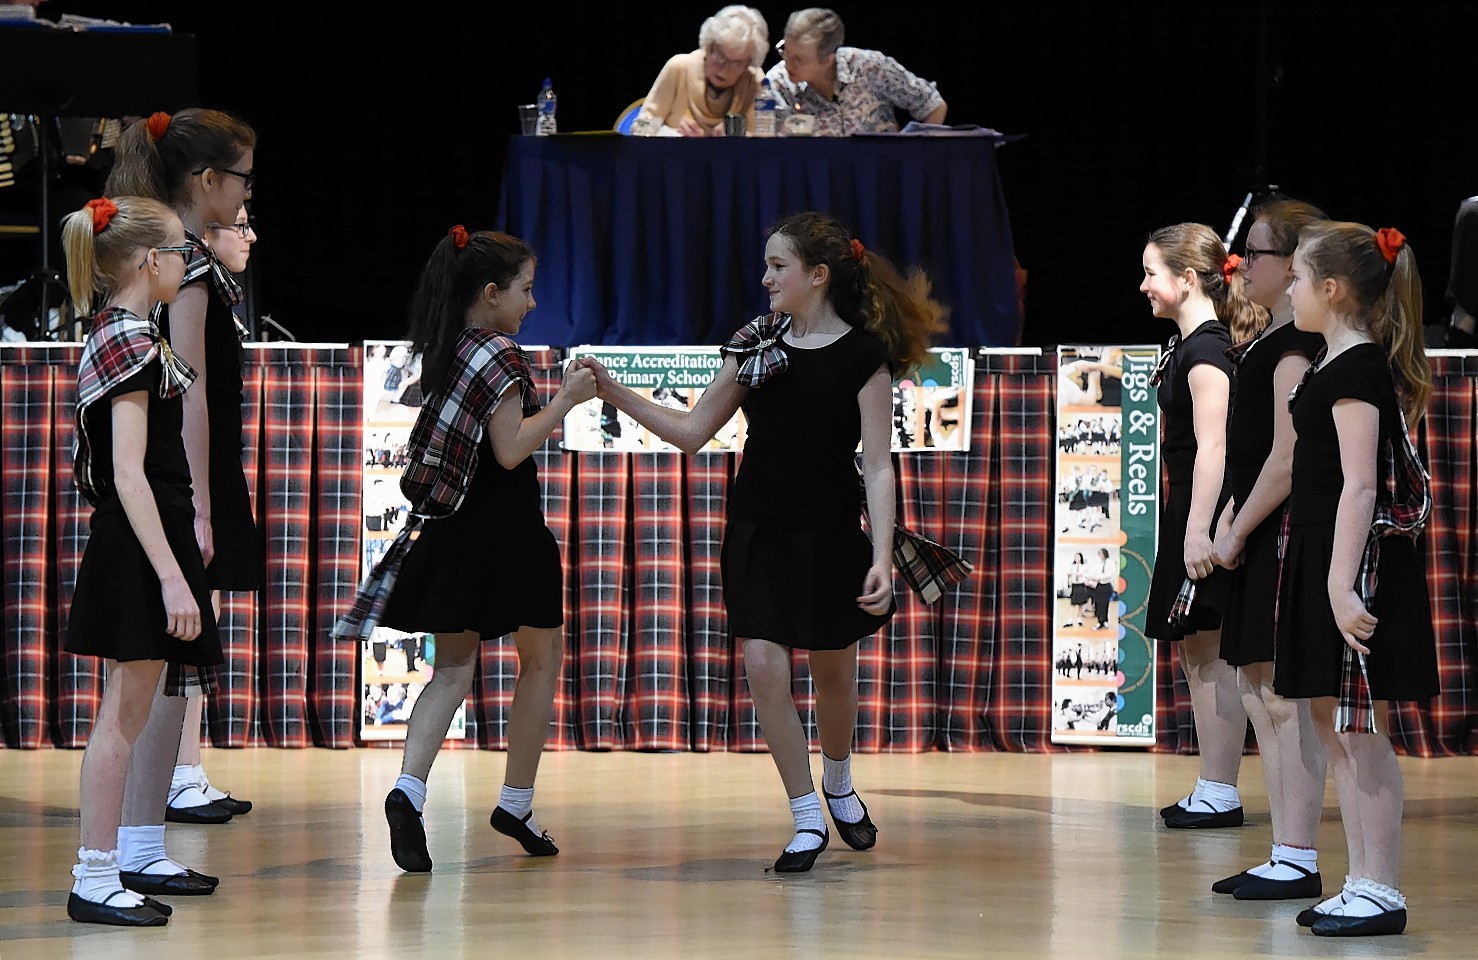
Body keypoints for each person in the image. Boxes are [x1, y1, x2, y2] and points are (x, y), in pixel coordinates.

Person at [582, 211, 946, 872]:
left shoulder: (864, 355)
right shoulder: (755, 346)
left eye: (778, 267)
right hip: (758, 529)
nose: (765, 277)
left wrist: (880, 556)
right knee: (762, 661)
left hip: (832, 532)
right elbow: (693, 431)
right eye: (767, 265)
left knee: (834, 673)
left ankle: (839, 783)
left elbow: (881, 465)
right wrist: (611, 390)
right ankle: (806, 814)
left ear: (818, 275)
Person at [333, 226, 595, 873]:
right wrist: (566, 398)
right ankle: (517, 802)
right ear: (490, 292)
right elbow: (510, 448)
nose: (532, 303)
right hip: (506, 531)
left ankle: (408, 791)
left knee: (450, 670)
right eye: (526, 290)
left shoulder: (447, 348)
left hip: (451, 529)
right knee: (540, 660)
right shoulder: (502, 354)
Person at [59, 195, 219, 926]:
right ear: (152, 261)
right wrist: (171, 576)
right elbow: (128, 474)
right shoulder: (126, 341)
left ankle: (119, 857)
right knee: (121, 717)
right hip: (137, 548)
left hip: (146, 541)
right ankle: (94, 875)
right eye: (182, 250)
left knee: (131, 709)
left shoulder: (124, 335)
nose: (188, 263)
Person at [1276, 222, 1439, 937]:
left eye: (1300, 279)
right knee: (1330, 721)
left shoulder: (1357, 369)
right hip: (1324, 553)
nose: (1289, 288)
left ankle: (1382, 888)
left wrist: (1342, 587)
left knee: (1357, 728)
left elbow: (1361, 486)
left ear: (1333, 290)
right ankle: (1361, 880)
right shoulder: (1331, 360)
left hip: (1353, 561)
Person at [106, 108, 260, 836]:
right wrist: (197, 501)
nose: (244, 197)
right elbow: (190, 385)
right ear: (206, 180)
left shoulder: (183, 252)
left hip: (187, 471)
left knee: (179, 657)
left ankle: (144, 835)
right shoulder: (185, 259)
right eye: (242, 180)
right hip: (182, 473)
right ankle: (136, 838)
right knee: (168, 657)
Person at [1207, 197, 1330, 901]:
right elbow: (1252, 456)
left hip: (1278, 536)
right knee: (1257, 690)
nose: (1241, 264)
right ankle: (1286, 850)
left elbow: (1284, 460)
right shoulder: (1265, 340)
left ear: (1292, 267)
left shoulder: (1290, 350)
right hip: (1254, 532)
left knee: (1282, 697)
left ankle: (1297, 852)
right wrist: (1228, 517)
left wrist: (1236, 527)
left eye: (1254, 253)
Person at [1139, 223, 1262, 829]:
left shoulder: (1208, 349)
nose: (1144, 287)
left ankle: (1220, 788)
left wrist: (1198, 531)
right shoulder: (1189, 345)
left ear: (1187, 280)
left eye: (1152, 274)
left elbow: (1214, 447)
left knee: (1209, 647)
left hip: (1204, 508)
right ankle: (1214, 784)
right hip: (1190, 505)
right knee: (1197, 647)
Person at [161, 202, 260, 821]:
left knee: (206, 612)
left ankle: (187, 768)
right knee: (187, 618)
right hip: (194, 469)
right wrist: (199, 499)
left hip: (214, 462)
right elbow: (190, 388)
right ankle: (174, 776)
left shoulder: (214, 286)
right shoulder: (192, 276)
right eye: (241, 219)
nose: (250, 233)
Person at [766, 8, 946, 136]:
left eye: (798, 60)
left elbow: (933, 105)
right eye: (785, 52)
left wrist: (914, 160)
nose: (788, 65)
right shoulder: (777, 84)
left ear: (828, 60)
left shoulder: (871, 68)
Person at [634, 6, 769, 137]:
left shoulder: (755, 81)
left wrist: (736, 136)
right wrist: (670, 133)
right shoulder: (679, 67)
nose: (724, 69)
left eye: (737, 63)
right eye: (719, 56)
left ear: (749, 64)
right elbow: (641, 125)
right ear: (708, 46)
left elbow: (766, 141)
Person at [1063, 551, 1088, 627]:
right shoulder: (1072, 566)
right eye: (1075, 557)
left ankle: (1079, 620)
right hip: (1075, 586)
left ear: (1081, 558)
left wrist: (1075, 573)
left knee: (1081, 604)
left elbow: (1083, 574)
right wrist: (1072, 573)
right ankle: (1070, 621)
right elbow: (1067, 572)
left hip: (1081, 585)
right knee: (1073, 604)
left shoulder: (1084, 566)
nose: (1076, 558)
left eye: (1078, 557)